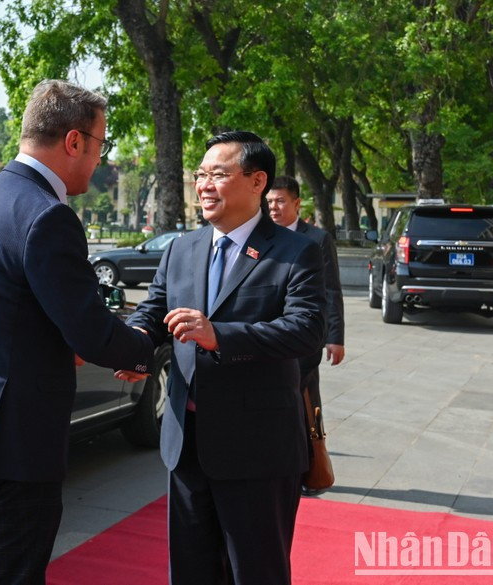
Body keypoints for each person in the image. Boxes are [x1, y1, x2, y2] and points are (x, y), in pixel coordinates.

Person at [0, 79, 155, 585]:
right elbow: (90, 331)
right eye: (100, 145)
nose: (98, 161)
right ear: (74, 142)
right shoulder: (48, 216)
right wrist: (146, 346)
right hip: (9, 441)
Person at [116, 131, 326, 585]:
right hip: (186, 444)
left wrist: (220, 336)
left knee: (255, 572)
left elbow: (307, 331)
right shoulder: (181, 248)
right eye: (201, 174)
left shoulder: (296, 252)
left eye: (218, 174)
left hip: (258, 450)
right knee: (190, 571)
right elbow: (152, 315)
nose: (205, 185)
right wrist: (128, 347)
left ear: (257, 182)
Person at [267, 175, 345, 495]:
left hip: (305, 339)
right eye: (269, 201)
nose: (273, 207)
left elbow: (330, 290)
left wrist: (335, 336)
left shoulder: (317, 238)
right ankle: (280, 465)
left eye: (280, 201)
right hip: (271, 336)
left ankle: (312, 465)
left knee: (305, 400)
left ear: (297, 203)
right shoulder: (263, 236)